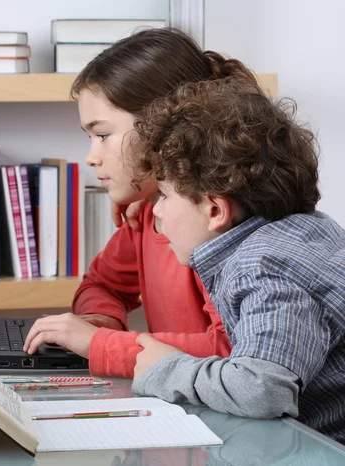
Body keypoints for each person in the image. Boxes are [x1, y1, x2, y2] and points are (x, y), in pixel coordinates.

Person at [24, 28, 257, 377]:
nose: (91, 156)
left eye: (102, 135)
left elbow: (233, 352)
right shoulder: (146, 214)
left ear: (163, 127)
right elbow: (102, 285)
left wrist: (100, 345)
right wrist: (98, 322)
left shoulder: (216, 222)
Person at [129, 77, 345, 443]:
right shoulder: (313, 231)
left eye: (163, 195)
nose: (157, 212)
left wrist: (167, 370)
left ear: (214, 209)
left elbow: (263, 389)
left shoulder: (262, 267)